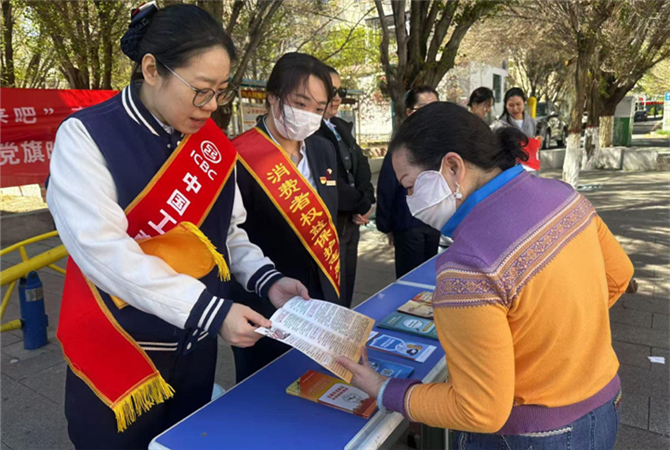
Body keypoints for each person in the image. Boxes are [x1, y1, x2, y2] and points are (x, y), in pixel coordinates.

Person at [47, 4, 308, 448]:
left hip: (195, 346)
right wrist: (213, 312)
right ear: (152, 70)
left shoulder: (212, 144)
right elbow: (103, 251)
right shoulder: (86, 137)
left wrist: (267, 279)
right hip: (121, 350)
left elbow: (228, 233)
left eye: (220, 91)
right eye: (201, 91)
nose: (211, 106)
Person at [340, 102, 634, 449]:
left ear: (452, 167)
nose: (409, 199)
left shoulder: (467, 265)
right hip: (605, 404)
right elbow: (619, 275)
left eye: (410, 186)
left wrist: (382, 389)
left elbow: (480, 410)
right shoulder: (563, 195)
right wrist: (559, 337)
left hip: (531, 434)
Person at [230, 53, 341, 382]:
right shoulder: (237, 157)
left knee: (321, 383)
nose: (309, 115)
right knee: (269, 388)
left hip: (320, 294)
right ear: (273, 97)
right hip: (266, 300)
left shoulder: (323, 149)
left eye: (318, 108)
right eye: (300, 103)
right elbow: (231, 236)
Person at [316, 65, 375, 307]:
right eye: (331, 92)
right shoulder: (310, 132)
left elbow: (362, 165)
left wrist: (367, 201)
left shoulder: (340, 126)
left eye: (341, 91)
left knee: (347, 286)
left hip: (352, 222)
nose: (337, 98)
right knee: (332, 293)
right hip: (331, 223)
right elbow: (329, 181)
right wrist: (360, 204)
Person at [376, 86, 441, 278]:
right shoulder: (402, 143)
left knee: (430, 279)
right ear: (410, 112)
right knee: (410, 281)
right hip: (408, 223)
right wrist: (385, 225)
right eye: (425, 107)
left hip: (435, 223)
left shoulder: (444, 140)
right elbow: (387, 185)